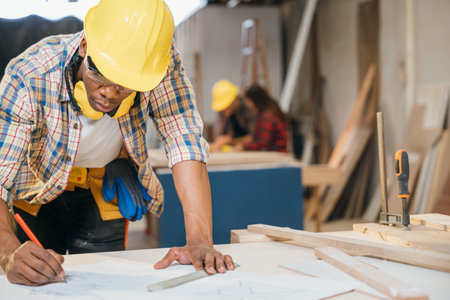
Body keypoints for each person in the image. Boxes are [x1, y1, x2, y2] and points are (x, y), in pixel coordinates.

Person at [0, 0, 234, 286]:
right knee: (34, 276)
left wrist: (200, 240)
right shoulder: (30, 75)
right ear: (84, 46)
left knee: (108, 286)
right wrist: (8, 252)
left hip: (101, 189)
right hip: (35, 193)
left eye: (124, 86)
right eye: (99, 75)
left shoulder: (154, 65)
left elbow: (182, 137)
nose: (109, 94)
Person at [234, 84, 288, 152]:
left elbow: (264, 145)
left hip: (278, 153)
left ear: (255, 100)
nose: (248, 104)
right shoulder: (272, 109)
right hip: (280, 152)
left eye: (248, 101)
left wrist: (244, 146)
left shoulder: (267, 116)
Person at [210, 80, 255, 152]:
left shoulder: (249, 108)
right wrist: (220, 140)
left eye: (227, 106)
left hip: (250, 151)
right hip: (232, 151)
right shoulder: (222, 110)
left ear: (235, 99)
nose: (225, 112)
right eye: (222, 108)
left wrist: (231, 141)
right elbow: (220, 134)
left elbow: (254, 137)